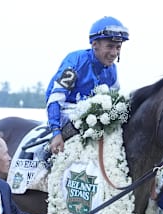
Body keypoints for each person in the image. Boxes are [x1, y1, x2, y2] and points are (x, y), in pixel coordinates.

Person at [46, 16, 129, 155]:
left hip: (93, 122)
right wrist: (55, 132)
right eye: (109, 46)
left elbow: (114, 104)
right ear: (94, 44)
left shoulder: (112, 71)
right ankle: (45, 162)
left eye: (118, 47)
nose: (114, 53)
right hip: (66, 114)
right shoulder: (75, 61)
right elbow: (56, 98)